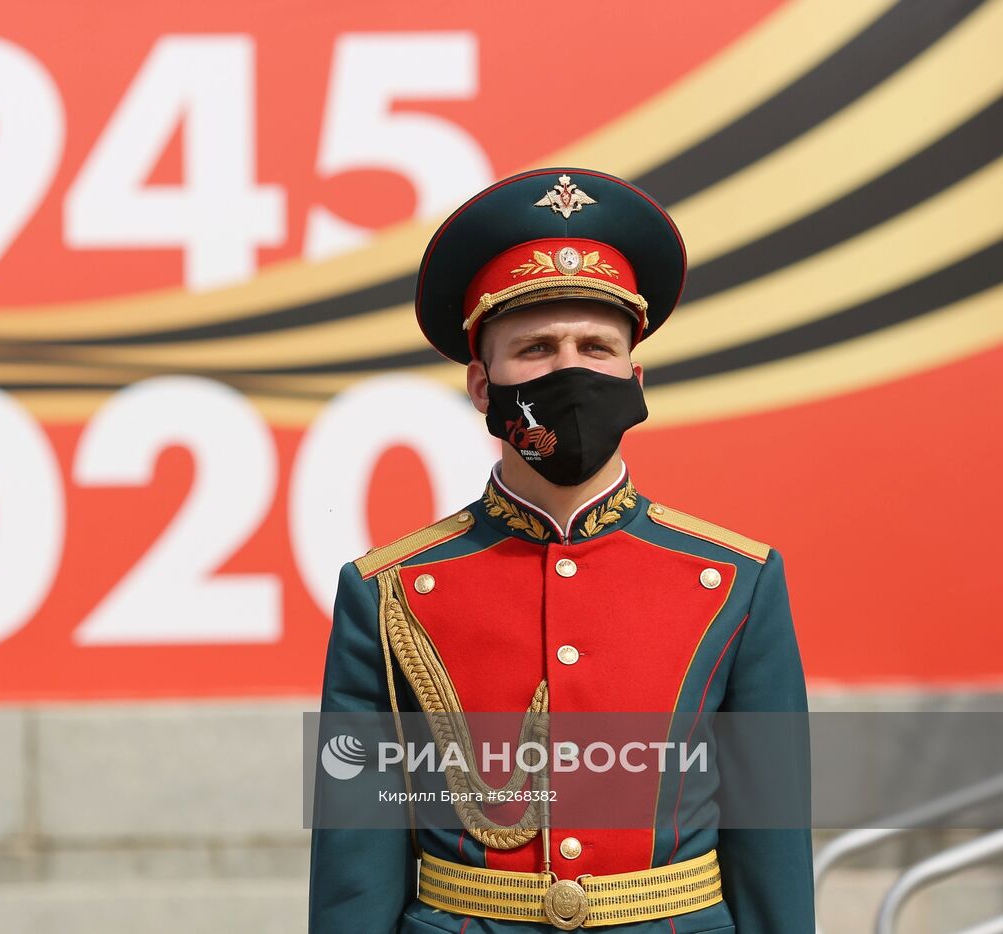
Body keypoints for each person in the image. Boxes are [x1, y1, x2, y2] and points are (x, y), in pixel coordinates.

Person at [308, 168, 813, 932]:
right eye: (536, 348)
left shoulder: (734, 581)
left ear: (635, 378)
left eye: (596, 347)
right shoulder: (390, 590)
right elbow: (356, 863)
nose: (570, 369)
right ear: (483, 385)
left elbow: (771, 842)